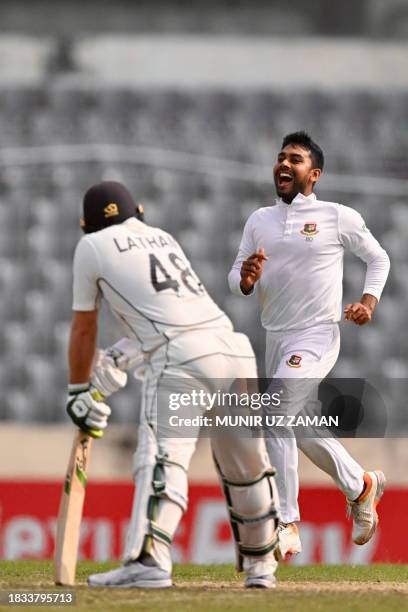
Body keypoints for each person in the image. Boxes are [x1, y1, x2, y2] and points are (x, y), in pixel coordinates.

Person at [66, 181, 280, 589]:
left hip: (181, 360)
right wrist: (119, 358)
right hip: (232, 349)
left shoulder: (90, 246)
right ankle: (261, 568)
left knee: (162, 459)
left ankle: (149, 560)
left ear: (86, 224)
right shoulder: (161, 237)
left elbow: (83, 328)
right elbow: (173, 318)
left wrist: (78, 391)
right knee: (248, 465)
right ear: (138, 212)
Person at [228, 131, 390, 560]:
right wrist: (244, 279)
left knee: (274, 412)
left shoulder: (336, 216)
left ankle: (287, 521)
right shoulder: (258, 220)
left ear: (313, 174)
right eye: (281, 157)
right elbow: (235, 274)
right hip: (275, 337)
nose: (284, 164)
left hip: (317, 334)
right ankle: (361, 485)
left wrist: (368, 301)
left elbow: (379, 258)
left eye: (295, 159)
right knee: (293, 423)